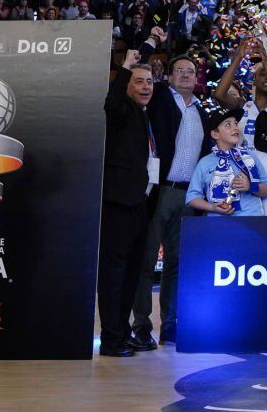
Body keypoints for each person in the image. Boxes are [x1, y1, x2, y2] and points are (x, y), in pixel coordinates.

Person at [131, 29, 210, 348]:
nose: (185, 75)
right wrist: (152, 41)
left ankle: (170, 325)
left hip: (189, 194)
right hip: (161, 190)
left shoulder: (201, 111)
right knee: (147, 261)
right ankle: (140, 324)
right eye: (179, 70)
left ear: (196, 77)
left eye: (190, 72)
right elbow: (141, 65)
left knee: (177, 263)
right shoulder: (162, 97)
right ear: (170, 74)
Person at [97, 51, 155, 357]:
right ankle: (111, 339)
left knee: (132, 272)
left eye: (149, 81)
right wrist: (124, 69)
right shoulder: (120, 111)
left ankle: (120, 335)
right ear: (126, 85)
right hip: (117, 202)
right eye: (138, 81)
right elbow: (110, 102)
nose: (146, 86)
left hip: (138, 203)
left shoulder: (143, 115)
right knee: (114, 273)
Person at [214, 37, 267, 216]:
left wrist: (265, 61)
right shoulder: (243, 106)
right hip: (243, 182)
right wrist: (238, 58)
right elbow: (219, 94)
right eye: (263, 74)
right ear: (254, 80)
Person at [186, 106, 267, 217]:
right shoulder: (205, 162)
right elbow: (192, 197)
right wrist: (212, 207)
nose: (235, 128)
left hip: (251, 219)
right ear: (215, 134)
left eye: (236, 123)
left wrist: (251, 186)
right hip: (218, 222)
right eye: (228, 125)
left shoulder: (249, 157)